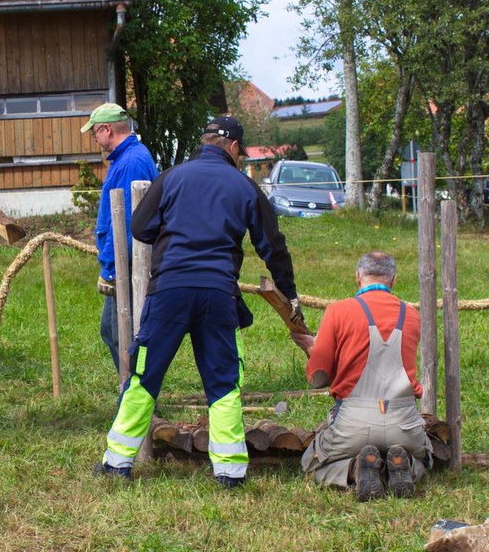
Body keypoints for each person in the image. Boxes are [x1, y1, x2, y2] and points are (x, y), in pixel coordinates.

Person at [95, 115, 309, 486]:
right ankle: (229, 472)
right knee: (223, 381)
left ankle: (117, 463)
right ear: (234, 149)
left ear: (204, 141)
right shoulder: (243, 186)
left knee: (145, 374)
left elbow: (140, 227)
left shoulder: (172, 177)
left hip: (169, 291)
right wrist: (288, 292)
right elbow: (272, 246)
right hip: (218, 292)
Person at [301, 252, 432, 501]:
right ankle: (401, 466)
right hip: (403, 423)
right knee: (424, 460)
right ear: (393, 280)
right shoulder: (412, 316)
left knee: (311, 461)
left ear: (358, 277)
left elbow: (318, 377)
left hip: (353, 422)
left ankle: (354, 469)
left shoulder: (338, 311)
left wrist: (313, 349)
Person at [80, 103, 159, 375]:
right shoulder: (127, 158)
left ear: (107, 129)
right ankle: (133, 394)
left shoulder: (131, 163)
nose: (95, 139)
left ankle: (136, 398)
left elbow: (126, 222)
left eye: (94, 133)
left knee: (123, 336)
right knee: (111, 331)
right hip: (123, 263)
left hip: (128, 265)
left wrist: (113, 270)